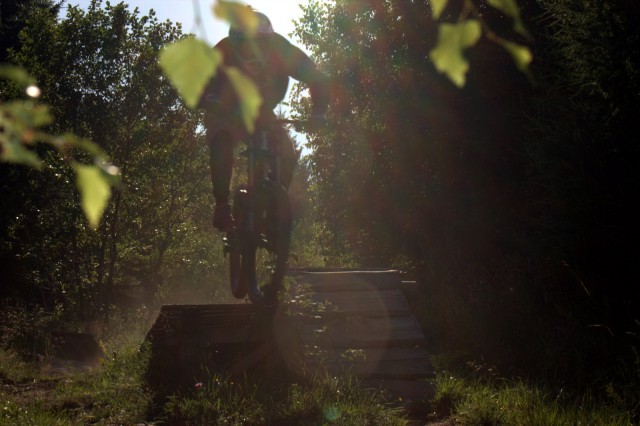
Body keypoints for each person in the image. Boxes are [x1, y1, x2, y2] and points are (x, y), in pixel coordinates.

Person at [200, 8, 329, 232]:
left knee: (286, 154)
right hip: (226, 110)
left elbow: (315, 76)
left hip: (261, 114)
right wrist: (208, 98)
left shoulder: (282, 49)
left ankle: (271, 207)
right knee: (221, 140)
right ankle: (222, 205)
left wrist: (318, 112)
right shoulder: (223, 50)